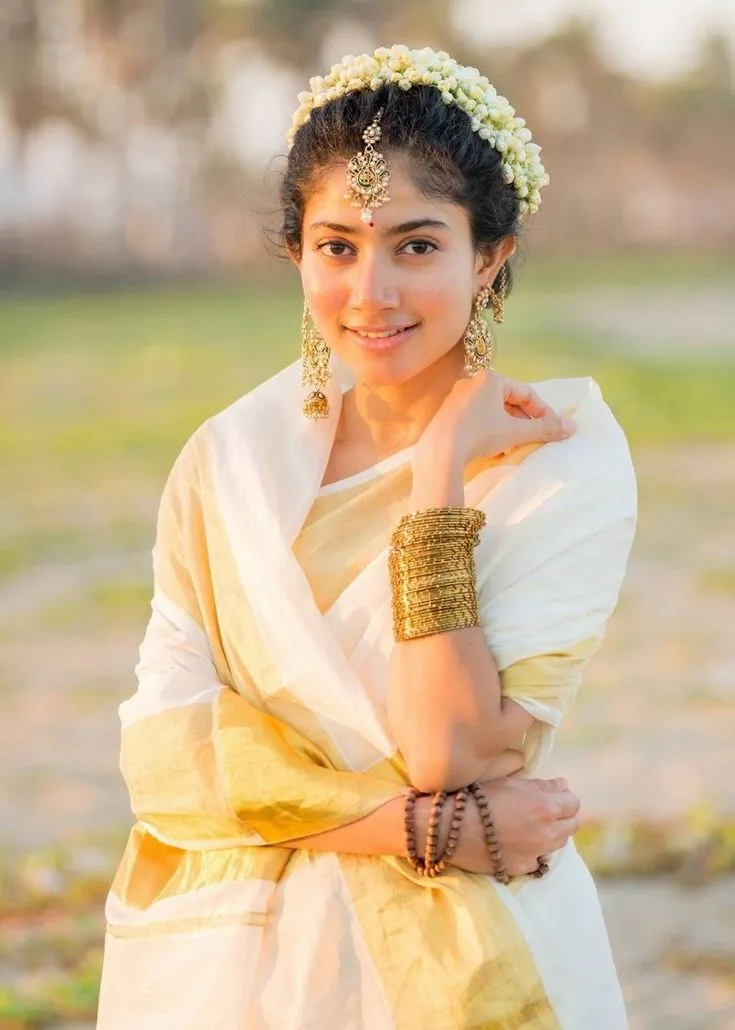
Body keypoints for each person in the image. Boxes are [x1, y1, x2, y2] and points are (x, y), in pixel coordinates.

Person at [97, 44, 637, 1030]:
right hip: (236, 966)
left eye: (417, 246)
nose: (370, 293)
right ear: (296, 252)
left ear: (490, 257)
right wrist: (427, 830)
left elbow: (447, 747)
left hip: (472, 959)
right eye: (337, 246)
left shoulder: (563, 464)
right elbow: (166, 757)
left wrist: (438, 481)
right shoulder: (229, 466)